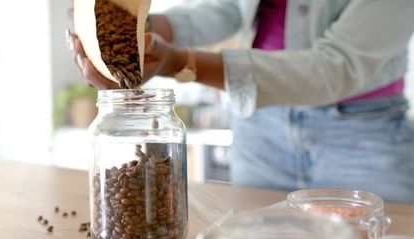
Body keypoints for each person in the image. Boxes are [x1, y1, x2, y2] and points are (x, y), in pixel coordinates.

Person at [67, 0, 414, 203]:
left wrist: (180, 63)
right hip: (259, 125)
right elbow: (230, 8)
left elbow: (335, 66)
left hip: (364, 133)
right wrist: (133, 27)